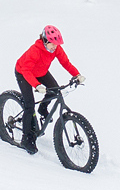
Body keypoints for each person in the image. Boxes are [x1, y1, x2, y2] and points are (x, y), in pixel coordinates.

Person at [14, 25, 86, 154]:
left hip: (41, 72)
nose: (55, 47)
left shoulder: (56, 49)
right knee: (29, 106)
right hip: (24, 73)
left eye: (57, 44)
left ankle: (43, 108)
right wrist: (36, 85)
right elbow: (26, 70)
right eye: (53, 44)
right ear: (45, 41)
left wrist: (77, 75)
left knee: (55, 91)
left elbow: (66, 63)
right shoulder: (35, 50)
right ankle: (26, 138)